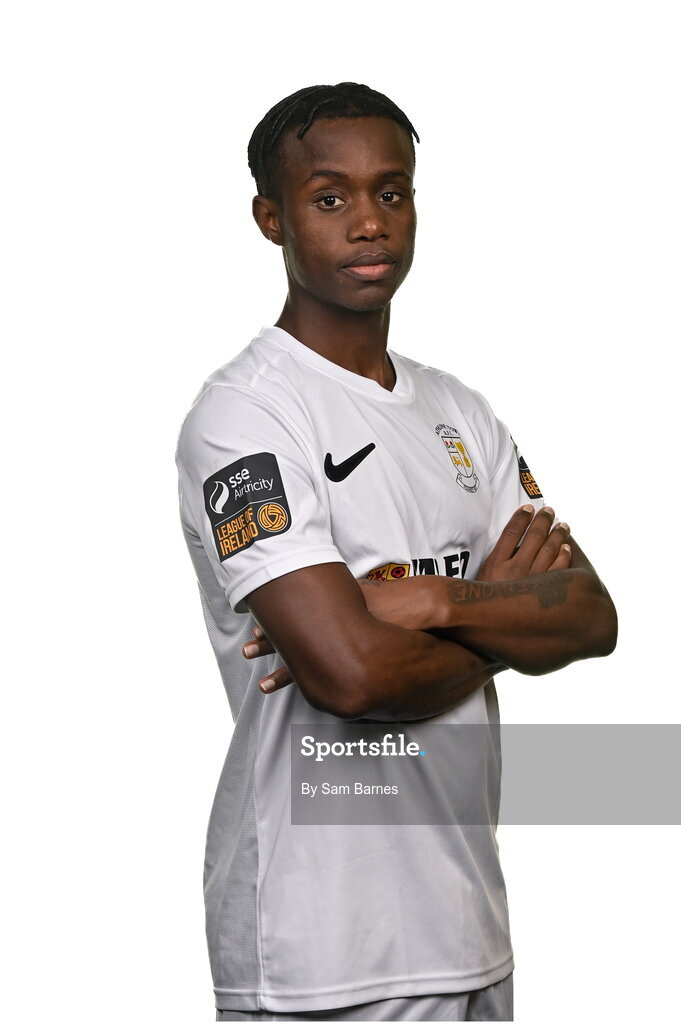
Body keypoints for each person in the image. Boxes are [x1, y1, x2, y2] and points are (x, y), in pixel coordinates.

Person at [175, 82, 617, 1023]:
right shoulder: (246, 416)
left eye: (392, 191)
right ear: (270, 217)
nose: (367, 222)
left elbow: (589, 613)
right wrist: (500, 612)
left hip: (469, 930)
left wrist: (434, 602)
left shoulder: (460, 412)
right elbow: (353, 677)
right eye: (328, 197)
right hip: (322, 947)